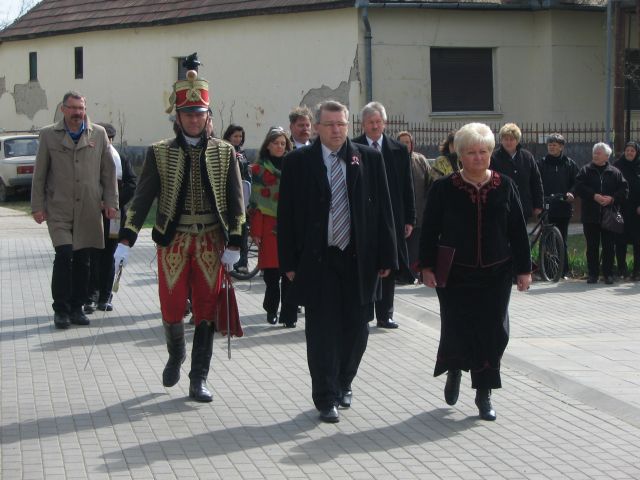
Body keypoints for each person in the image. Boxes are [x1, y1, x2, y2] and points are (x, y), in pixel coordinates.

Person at [113, 69, 245, 402]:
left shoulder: (225, 152)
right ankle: (176, 353)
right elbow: (142, 198)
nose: (194, 120)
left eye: (199, 114)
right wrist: (126, 239)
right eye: (188, 114)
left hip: (211, 241)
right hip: (173, 240)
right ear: (178, 117)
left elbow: (236, 201)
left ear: (207, 116)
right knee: (171, 306)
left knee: (205, 308)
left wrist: (235, 242)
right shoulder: (159, 152)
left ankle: (198, 377)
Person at [277, 100, 397, 423]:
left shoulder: (368, 158)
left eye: (341, 124)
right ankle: (326, 396)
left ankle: (344, 381)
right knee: (322, 330)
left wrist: (388, 254)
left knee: (358, 328)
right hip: (319, 259)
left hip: (359, 259)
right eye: (329, 124)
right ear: (317, 127)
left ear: (348, 125)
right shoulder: (298, 162)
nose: (335, 130)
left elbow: (384, 209)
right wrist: (288, 262)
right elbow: (285, 215)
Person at [419, 122, 532, 421]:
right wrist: (426, 267)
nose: (478, 157)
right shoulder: (444, 188)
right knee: (457, 326)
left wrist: (524, 270)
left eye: (483, 151)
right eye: (471, 152)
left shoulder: (505, 185)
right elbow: (429, 229)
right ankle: (455, 368)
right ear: (460, 155)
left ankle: (484, 391)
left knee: (494, 331)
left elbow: (518, 230)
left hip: (497, 272)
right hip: (455, 273)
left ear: (491, 153)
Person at [31, 91, 118, 329]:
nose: (77, 113)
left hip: (89, 208)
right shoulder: (49, 134)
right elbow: (40, 173)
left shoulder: (98, 133)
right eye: (72, 108)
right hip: (59, 208)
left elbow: (108, 172)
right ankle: (61, 309)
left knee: (83, 260)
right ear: (63, 109)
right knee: (64, 255)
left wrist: (111, 202)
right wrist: (37, 206)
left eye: (81, 108)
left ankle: (77, 307)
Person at [353, 101, 415, 329]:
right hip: (364, 217)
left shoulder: (398, 150)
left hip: (392, 216)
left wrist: (410, 219)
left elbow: (408, 186)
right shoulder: (353, 148)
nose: (375, 126)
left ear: (385, 123)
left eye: (378, 122)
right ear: (363, 124)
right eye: (370, 122)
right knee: (366, 264)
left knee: (388, 261)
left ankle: (385, 313)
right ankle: (365, 311)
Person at [85, 123, 138, 312]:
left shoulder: (120, 158)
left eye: (107, 138)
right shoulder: (88, 157)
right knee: (91, 255)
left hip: (113, 215)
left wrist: (112, 202)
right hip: (91, 213)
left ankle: (105, 296)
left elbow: (131, 184)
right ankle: (90, 296)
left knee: (109, 256)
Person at [248, 127, 297, 327]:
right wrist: (256, 231)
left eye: (283, 143)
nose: (279, 147)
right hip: (268, 226)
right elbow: (256, 202)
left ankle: (289, 315)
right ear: (268, 145)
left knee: (290, 274)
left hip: (291, 224)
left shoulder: (294, 165)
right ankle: (271, 309)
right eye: (276, 143)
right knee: (272, 275)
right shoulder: (259, 169)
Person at [574, 142, 628, 284]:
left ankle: (608, 274)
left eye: (599, 153)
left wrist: (612, 199)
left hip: (609, 215)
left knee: (609, 246)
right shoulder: (585, 170)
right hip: (590, 215)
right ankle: (593, 274)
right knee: (592, 246)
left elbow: (624, 190)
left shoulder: (615, 172)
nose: (595, 155)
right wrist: (593, 195)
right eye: (594, 152)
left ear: (606, 156)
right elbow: (578, 186)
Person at [536, 133, 578, 278]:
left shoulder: (569, 164)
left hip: (563, 206)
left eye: (554, 145)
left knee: (562, 240)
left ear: (561, 147)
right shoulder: (541, 163)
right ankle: (546, 270)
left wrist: (572, 193)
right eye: (549, 145)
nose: (551, 147)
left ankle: (563, 271)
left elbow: (577, 182)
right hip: (547, 206)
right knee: (547, 239)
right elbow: (535, 182)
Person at [397, 130, 434, 280]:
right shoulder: (392, 159)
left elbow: (430, 182)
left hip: (419, 211)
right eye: (402, 142)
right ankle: (401, 274)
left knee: (415, 247)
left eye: (408, 142)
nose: (405, 145)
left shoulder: (420, 160)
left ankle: (412, 274)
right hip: (399, 213)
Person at [490, 123, 544, 220]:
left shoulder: (527, 157)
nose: (508, 142)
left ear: (517, 140)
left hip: (523, 206)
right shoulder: (493, 158)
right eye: (506, 139)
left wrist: (538, 205)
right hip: (501, 208)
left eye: (511, 139)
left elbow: (536, 182)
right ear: (501, 140)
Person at [223, 124, 251, 274]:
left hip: (243, 195)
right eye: (235, 136)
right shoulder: (223, 151)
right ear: (229, 136)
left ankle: (243, 262)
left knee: (243, 229)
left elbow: (247, 175)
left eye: (240, 136)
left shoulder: (242, 154)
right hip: (228, 196)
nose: (238, 139)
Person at [613, 141, 640, 280]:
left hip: (637, 211)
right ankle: (622, 270)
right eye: (627, 150)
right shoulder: (617, 166)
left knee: (638, 241)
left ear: (637, 153)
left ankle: (637, 271)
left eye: (632, 151)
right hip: (621, 209)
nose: (629, 153)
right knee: (620, 240)